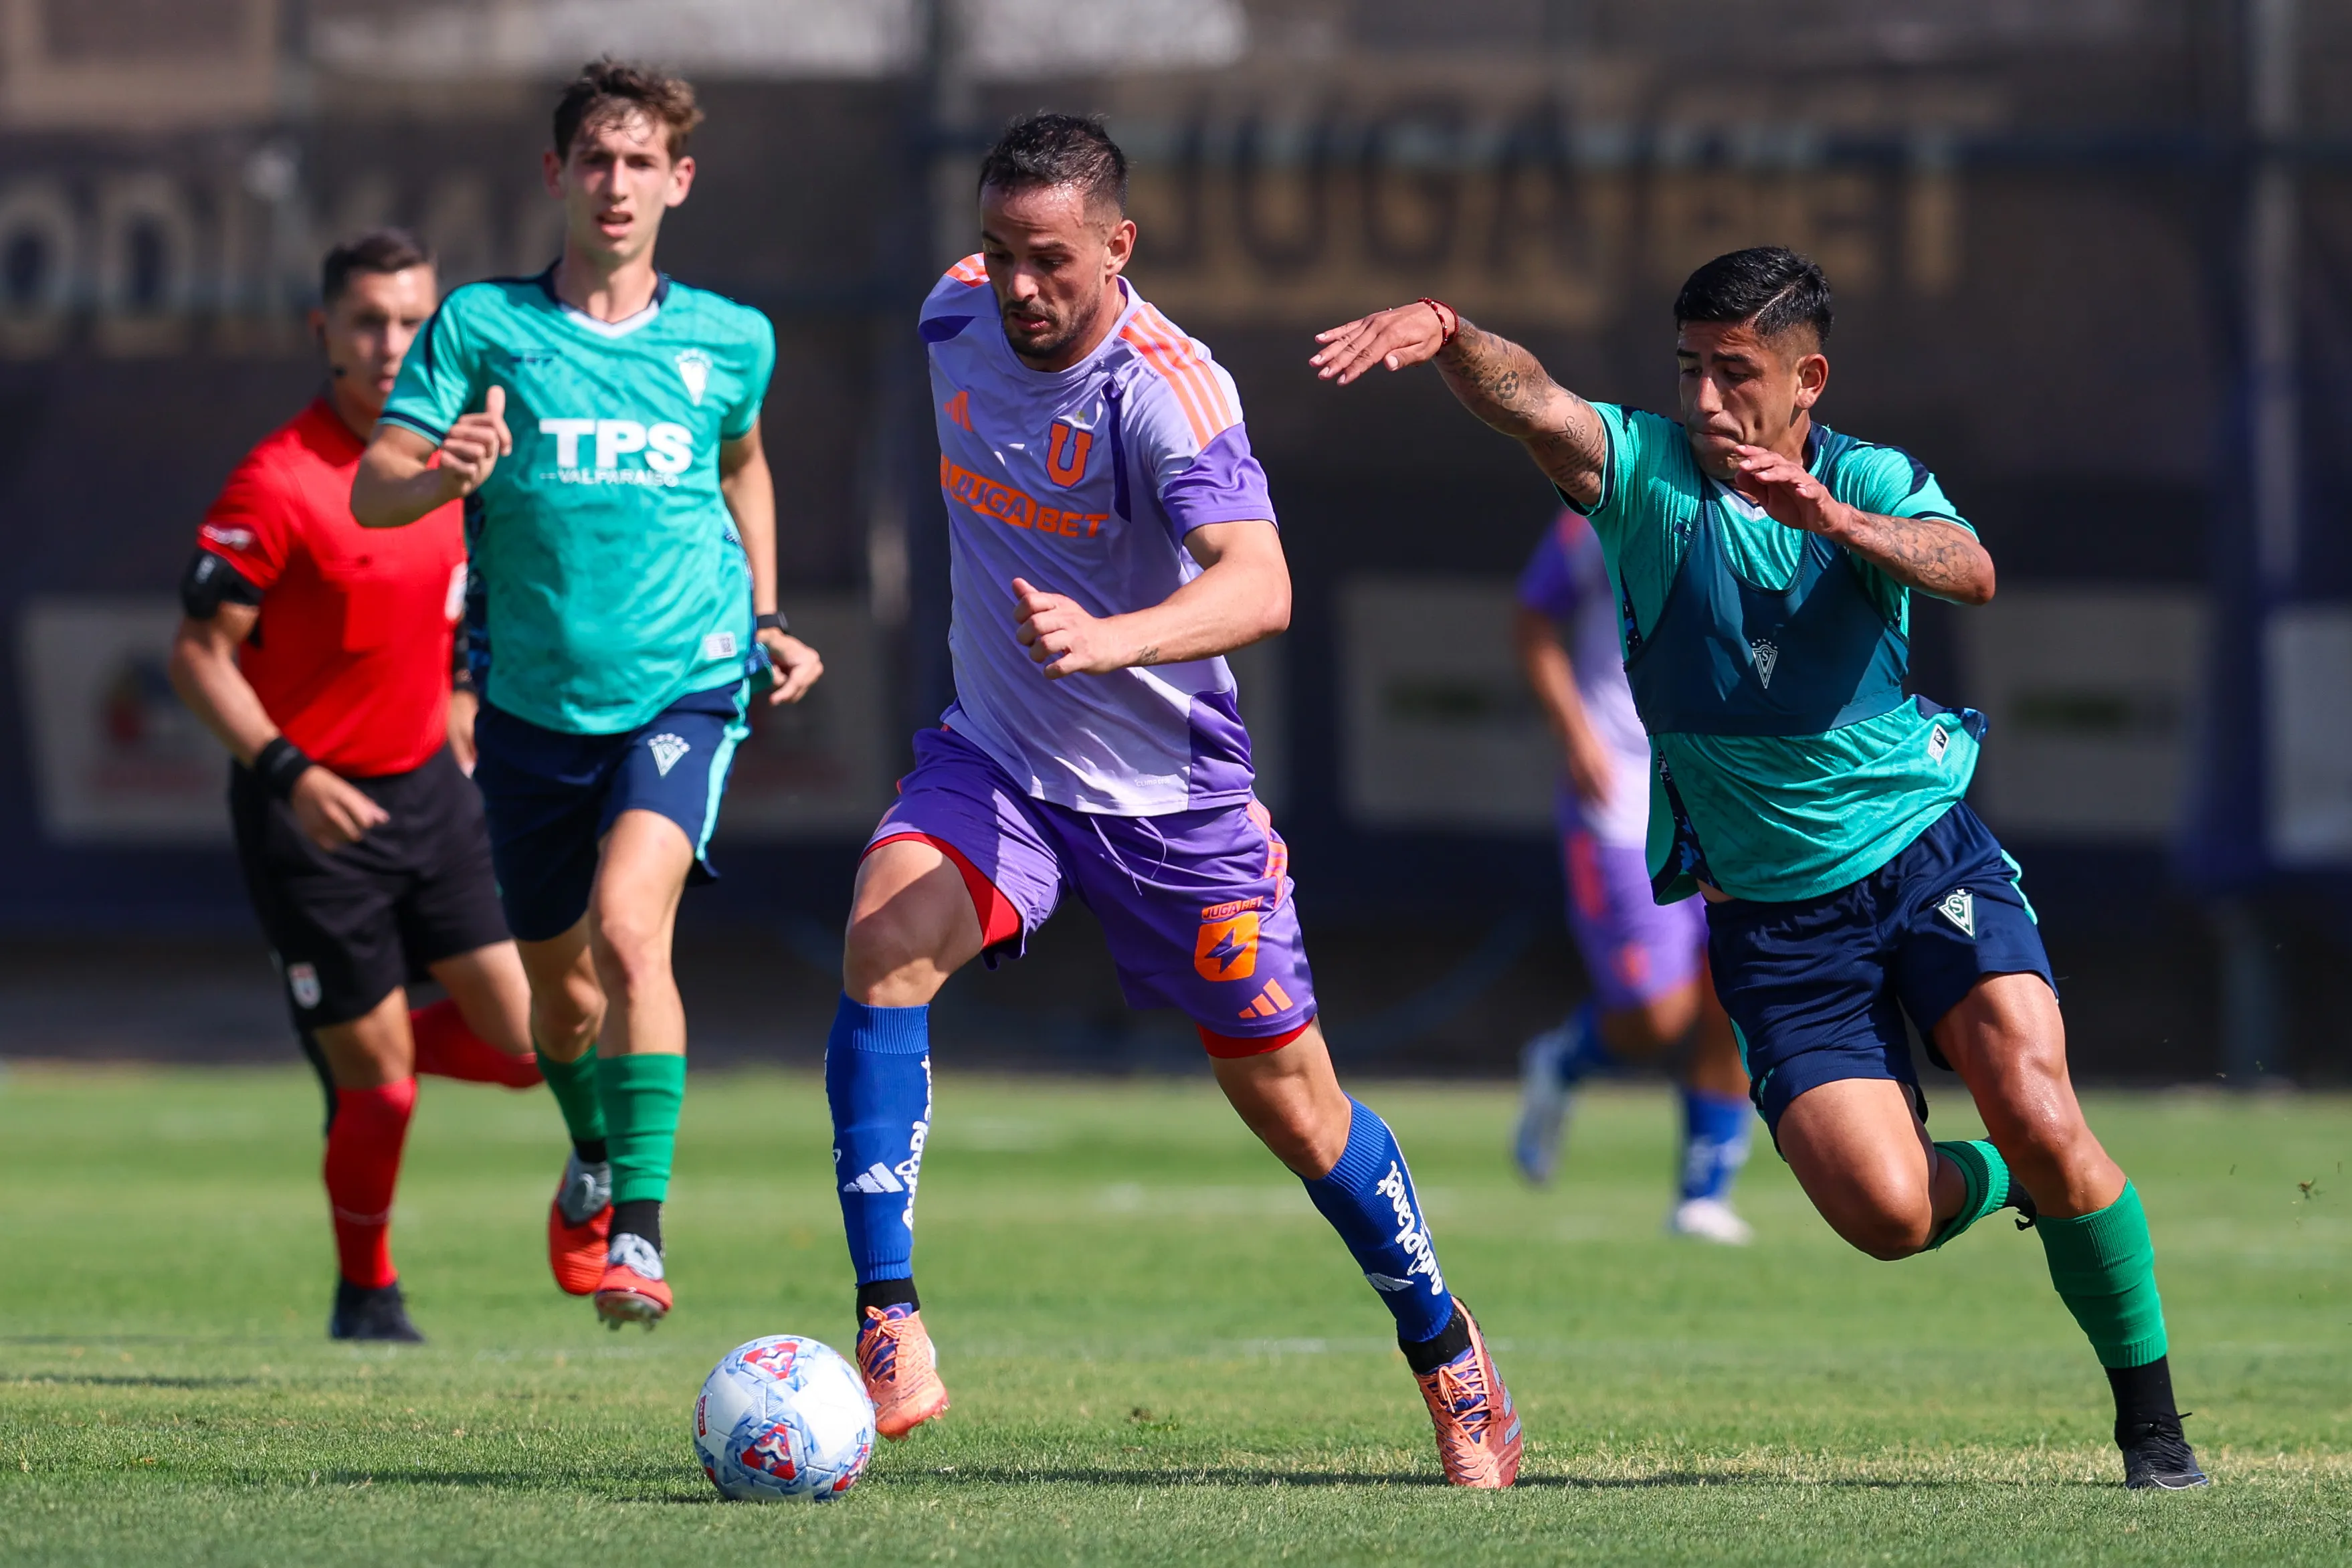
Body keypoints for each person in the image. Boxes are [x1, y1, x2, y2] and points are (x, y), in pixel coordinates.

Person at [1311, 246, 2206, 1490]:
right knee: (1888, 1216)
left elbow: (1971, 568)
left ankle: (2153, 1433)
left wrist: (1833, 520)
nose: (1706, 399)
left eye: (1735, 373)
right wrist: (1452, 333)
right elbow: (1534, 400)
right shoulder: (1643, 475)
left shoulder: (1869, 477)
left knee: (2040, 1099)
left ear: (1806, 381)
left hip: (1923, 854)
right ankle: (2016, 1172)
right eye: (1689, 368)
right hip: (1778, 924)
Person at [825, 114, 1520, 1488]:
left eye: (1052, 258)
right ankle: (888, 1314)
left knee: (1298, 1110)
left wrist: (1112, 638)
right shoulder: (952, 314)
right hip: (1001, 761)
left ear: (1118, 247)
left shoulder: (1167, 389)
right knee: (883, 937)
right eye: (1000, 251)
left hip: (1172, 804)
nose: (1021, 284)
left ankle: (1448, 1349)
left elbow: (1261, 584)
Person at [350, 60, 823, 1331]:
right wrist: (441, 473)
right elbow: (374, 488)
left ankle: (641, 1236)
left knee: (630, 932)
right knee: (558, 1004)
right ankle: (594, 1155)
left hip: (682, 685)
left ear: (680, 179)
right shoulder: (482, 328)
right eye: (596, 160)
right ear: (557, 173)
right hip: (530, 709)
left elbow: (744, 464)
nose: (618, 184)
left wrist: (766, 618)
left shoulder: (730, 338)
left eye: (641, 161)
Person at [169, 228, 543, 1344]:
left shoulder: (455, 464)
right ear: (323, 331)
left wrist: (465, 692)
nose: (391, 344)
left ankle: (353, 1023)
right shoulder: (277, 479)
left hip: (430, 795)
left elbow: (466, 601)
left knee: (536, 1047)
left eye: (413, 322)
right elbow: (197, 655)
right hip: (310, 816)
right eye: (369, 321)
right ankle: (366, 1294)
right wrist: (290, 772)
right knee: (380, 1091)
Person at [1510, 508, 1758, 1244]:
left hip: (1730, 793)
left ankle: (1703, 1195)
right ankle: (1563, 1062)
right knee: (1657, 1013)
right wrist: (1575, 733)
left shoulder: (1777, 505)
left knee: (1738, 989)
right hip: (1618, 800)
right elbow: (1532, 619)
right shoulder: (1601, 506)